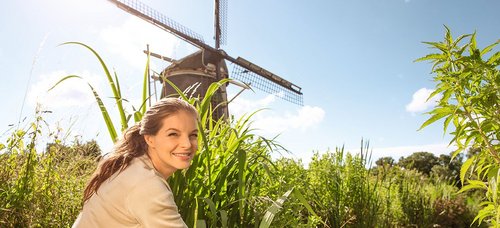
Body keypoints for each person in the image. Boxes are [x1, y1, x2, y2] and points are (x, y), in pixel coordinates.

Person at [72, 98, 199, 228]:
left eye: (193, 135)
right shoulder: (147, 184)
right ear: (149, 139)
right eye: (173, 134)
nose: (187, 144)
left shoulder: (130, 166)